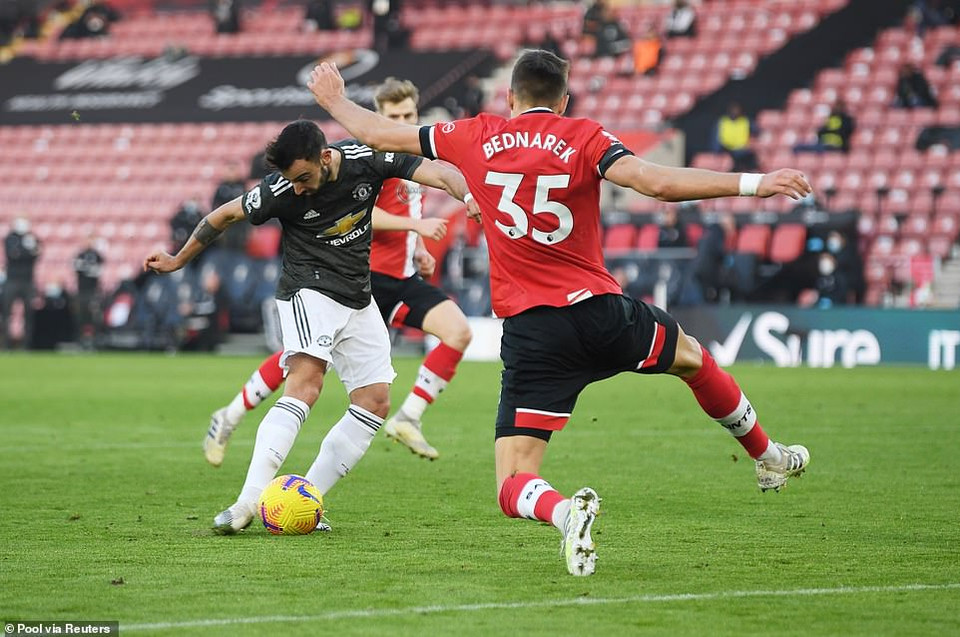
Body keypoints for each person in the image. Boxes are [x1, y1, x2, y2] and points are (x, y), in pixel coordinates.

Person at [308, 49, 813, 577]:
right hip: (602, 313)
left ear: (509, 98)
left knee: (513, 483)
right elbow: (657, 184)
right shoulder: (584, 136)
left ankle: (566, 512)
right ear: (564, 100)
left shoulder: (476, 134)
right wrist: (755, 183)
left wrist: (335, 100)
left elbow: (381, 135)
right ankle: (767, 456)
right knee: (693, 359)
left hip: (534, 333)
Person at [143, 119, 474, 534]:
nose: (297, 188)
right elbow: (224, 215)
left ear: (325, 157)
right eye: (291, 180)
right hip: (308, 290)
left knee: (374, 402)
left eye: (303, 178)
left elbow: (438, 172)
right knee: (306, 384)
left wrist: (469, 196)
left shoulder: (366, 159)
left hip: (358, 295)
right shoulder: (280, 190)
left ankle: (304, 498)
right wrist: (178, 259)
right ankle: (246, 502)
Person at [203, 78, 473, 466]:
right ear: (378, 118)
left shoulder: (412, 160)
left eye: (408, 115)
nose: (402, 122)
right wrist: (415, 227)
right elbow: (362, 214)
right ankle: (229, 415)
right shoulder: (372, 157)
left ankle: (408, 417)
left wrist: (418, 247)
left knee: (458, 331)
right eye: (393, 116)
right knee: (302, 363)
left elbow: (406, 211)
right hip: (361, 277)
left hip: (401, 279)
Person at [2, 215, 41, 349]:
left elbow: (37, 253)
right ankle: (6, 344)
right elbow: (12, 255)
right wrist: (27, 252)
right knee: (6, 313)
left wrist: (22, 252)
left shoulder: (31, 238)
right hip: (12, 280)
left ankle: (27, 345)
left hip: (28, 281)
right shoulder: (10, 238)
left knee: (29, 314)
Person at [73, 234, 105, 349]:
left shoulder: (97, 255)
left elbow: (97, 271)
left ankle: (95, 340)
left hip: (93, 291)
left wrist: (85, 268)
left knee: (94, 316)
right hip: (82, 291)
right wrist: (88, 268)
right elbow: (77, 268)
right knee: (81, 316)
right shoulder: (80, 255)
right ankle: (80, 340)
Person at [714, 101, 758, 172]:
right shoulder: (722, 121)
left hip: (744, 152)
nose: (735, 112)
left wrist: (750, 145)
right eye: (733, 110)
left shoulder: (747, 121)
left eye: (737, 110)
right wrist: (717, 153)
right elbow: (715, 139)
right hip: (726, 150)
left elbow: (755, 135)